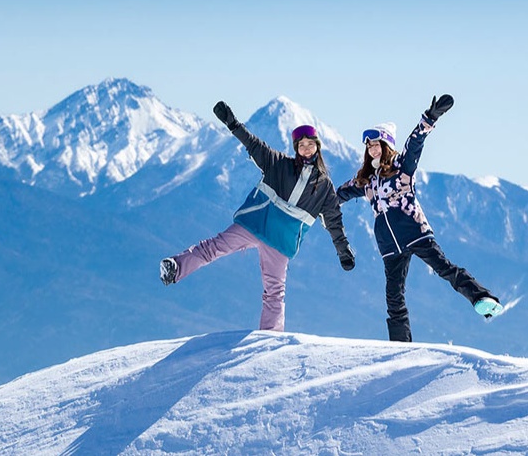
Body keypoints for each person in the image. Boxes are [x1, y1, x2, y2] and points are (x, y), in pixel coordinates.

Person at [159, 100, 355, 332]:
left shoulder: (324, 187)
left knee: (274, 292)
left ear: (317, 147)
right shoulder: (279, 164)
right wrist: (232, 124)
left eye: (310, 145)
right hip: (254, 225)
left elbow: (334, 222)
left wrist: (343, 251)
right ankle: (175, 268)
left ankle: (269, 340)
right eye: (301, 146)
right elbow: (254, 144)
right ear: (296, 149)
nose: (306, 150)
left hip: (280, 243)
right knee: (213, 247)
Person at [336, 94, 503, 342]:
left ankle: (481, 298)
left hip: (414, 232)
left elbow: (414, 144)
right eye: (369, 145)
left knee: (444, 269)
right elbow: (337, 195)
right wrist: (316, 201)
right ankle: (400, 346)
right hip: (389, 246)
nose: (372, 148)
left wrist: (430, 118)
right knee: (393, 295)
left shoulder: (402, 166)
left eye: (376, 144)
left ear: (386, 145)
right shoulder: (365, 180)